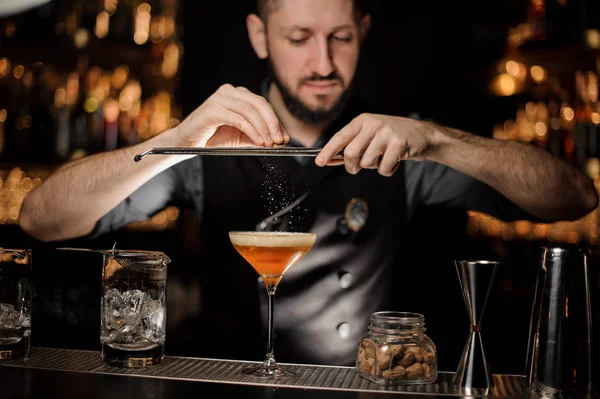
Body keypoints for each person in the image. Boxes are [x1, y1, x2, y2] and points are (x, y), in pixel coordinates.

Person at [18, 0, 598, 366]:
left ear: (363, 31)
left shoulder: (399, 145)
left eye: (340, 37)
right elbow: (40, 220)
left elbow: (573, 198)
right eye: (298, 38)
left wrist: (437, 141)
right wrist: (177, 139)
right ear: (259, 34)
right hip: (224, 386)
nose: (322, 63)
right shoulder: (204, 148)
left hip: (352, 388)